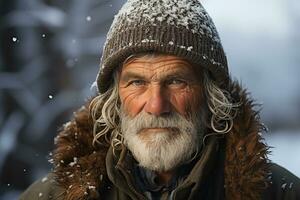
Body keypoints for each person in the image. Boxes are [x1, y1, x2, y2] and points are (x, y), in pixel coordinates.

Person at [20, 0, 300, 199]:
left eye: (176, 81)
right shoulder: (50, 197)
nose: (156, 106)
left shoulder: (278, 193)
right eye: (137, 82)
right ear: (114, 100)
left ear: (212, 96)